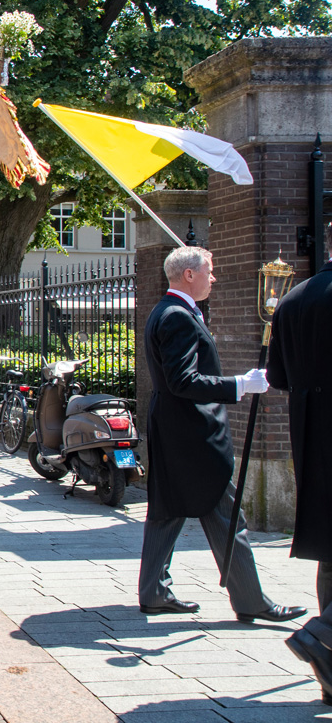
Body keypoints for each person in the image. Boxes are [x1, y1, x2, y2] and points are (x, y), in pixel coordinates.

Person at [139, 245, 304, 623]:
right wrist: (238, 385)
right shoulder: (178, 316)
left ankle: (153, 591)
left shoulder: (166, 310)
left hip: (174, 428)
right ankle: (250, 601)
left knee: (168, 511)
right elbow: (184, 380)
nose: (213, 278)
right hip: (194, 435)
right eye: (209, 271)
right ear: (189, 275)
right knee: (226, 514)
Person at [265, 223, 332, 705]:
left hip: (312, 437)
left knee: (331, 552)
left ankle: (331, 678)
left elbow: (278, 377)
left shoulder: (294, 299)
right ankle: (323, 636)